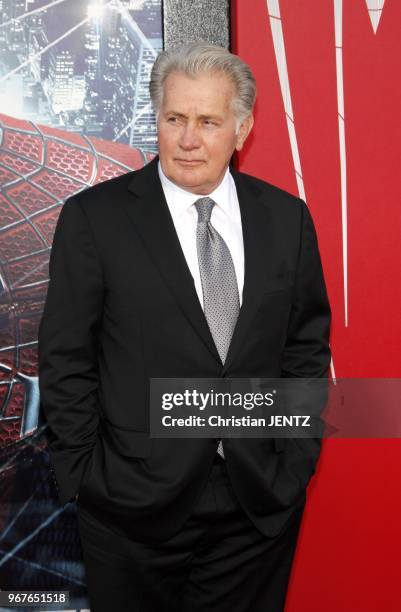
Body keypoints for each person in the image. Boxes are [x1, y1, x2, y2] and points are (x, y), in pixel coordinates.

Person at [38, 42, 331, 612]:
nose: (189, 139)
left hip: (257, 505)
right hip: (131, 507)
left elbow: (305, 349)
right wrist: (87, 476)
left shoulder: (286, 218)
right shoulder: (94, 219)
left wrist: (293, 461)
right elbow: (66, 358)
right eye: (175, 119)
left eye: (208, 121)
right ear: (158, 120)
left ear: (242, 129)